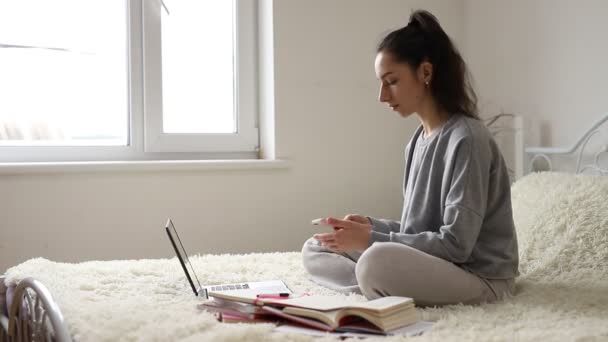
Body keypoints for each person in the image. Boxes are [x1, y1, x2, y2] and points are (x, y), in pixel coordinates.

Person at [301, 10, 519, 307]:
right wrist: (368, 227)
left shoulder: (467, 139)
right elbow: (417, 233)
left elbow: (456, 246)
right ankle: (377, 284)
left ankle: (376, 281)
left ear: (426, 73)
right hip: (438, 265)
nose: (382, 96)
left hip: (481, 278)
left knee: (375, 260)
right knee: (315, 248)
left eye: (391, 81)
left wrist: (369, 239)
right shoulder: (417, 142)